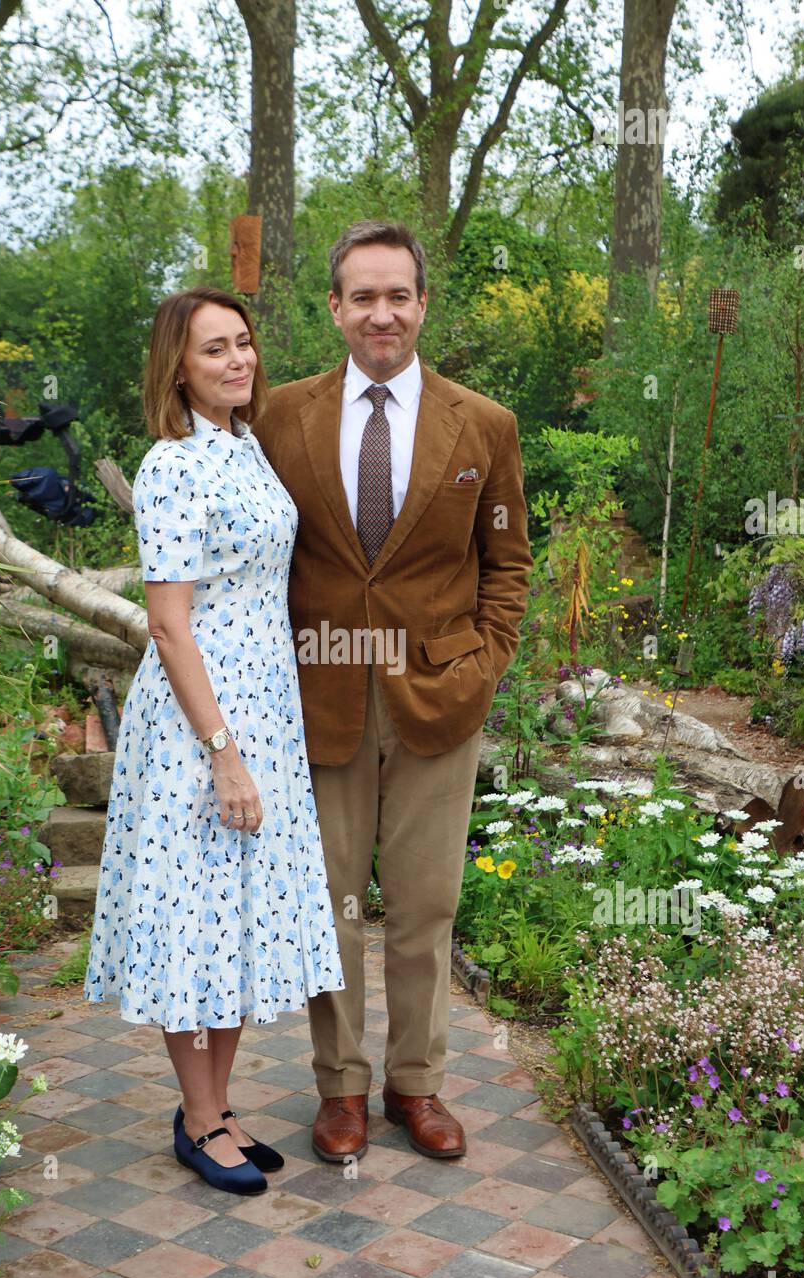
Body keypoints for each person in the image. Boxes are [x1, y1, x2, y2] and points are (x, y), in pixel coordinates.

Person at [251, 220, 533, 1163]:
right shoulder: (278, 416)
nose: (382, 312)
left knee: (423, 907)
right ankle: (340, 1089)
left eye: (397, 295)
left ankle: (417, 1085)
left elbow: (507, 560)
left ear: (421, 305)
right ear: (334, 308)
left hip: (436, 699)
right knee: (328, 903)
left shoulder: (482, 424)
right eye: (362, 296)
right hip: (315, 692)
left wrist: (483, 662)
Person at [84, 286, 345, 1195]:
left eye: (242, 344)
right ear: (177, 368)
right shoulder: (173, 466)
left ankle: (219, 1106)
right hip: (204, 726)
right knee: (194, 920)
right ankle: (196, 1121)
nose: (237, 361)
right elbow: (168, 626)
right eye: (213, 350)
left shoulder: (245, 448)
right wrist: (223, 751)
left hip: (265, 714)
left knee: (236, 917)